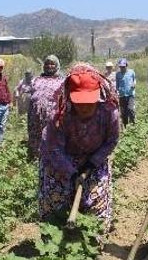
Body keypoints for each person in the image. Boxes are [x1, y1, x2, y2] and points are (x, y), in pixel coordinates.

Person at [38, 63, 120, 228]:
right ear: (70, 95)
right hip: (60, 161)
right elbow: (54, 149)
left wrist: (90, 165)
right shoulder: (60, 116)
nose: (84, 107)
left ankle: (93, 239)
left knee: (97, 201)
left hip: (94, 160)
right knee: (55, 201)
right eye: (79, 101)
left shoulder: (109, 113)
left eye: (89, 101)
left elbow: (111, 141)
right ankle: (54, 238)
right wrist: (73, 174)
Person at [27, 55, 66, 158]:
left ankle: (52, 158)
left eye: (52, 63)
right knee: (36, 135)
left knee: (51, 136)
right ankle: (36, 156)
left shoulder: (62, 81)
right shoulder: (36, 79)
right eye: (47, 63)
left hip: (52, 116)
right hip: (35, 115)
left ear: (57, 65)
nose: (49, 65)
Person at [115, 58, 137, 125]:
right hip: (122, 95)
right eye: (121, 67)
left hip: (130, 94)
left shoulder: (131, 72)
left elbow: (134, 80)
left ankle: (133, 123)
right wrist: (117, 92)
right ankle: (125, 126)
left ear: (126, 65)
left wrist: (134, 84)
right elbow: (117, 84)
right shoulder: (118, 74)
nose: (122, 68)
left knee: (130, 109)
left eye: (123, 66)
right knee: (123, 112)